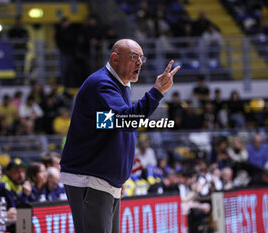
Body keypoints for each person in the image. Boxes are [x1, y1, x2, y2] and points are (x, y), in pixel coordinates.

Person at [60, 38, 180, 233]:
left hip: (105, 180)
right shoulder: (101, 84)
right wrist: (156, 92)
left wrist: (119, 177)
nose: (139, 62)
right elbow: (126, 121)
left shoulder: (118, 86)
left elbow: (111, 129)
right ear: (115, 58)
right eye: (134, 57)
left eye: (142, 58)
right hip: (90, 178)